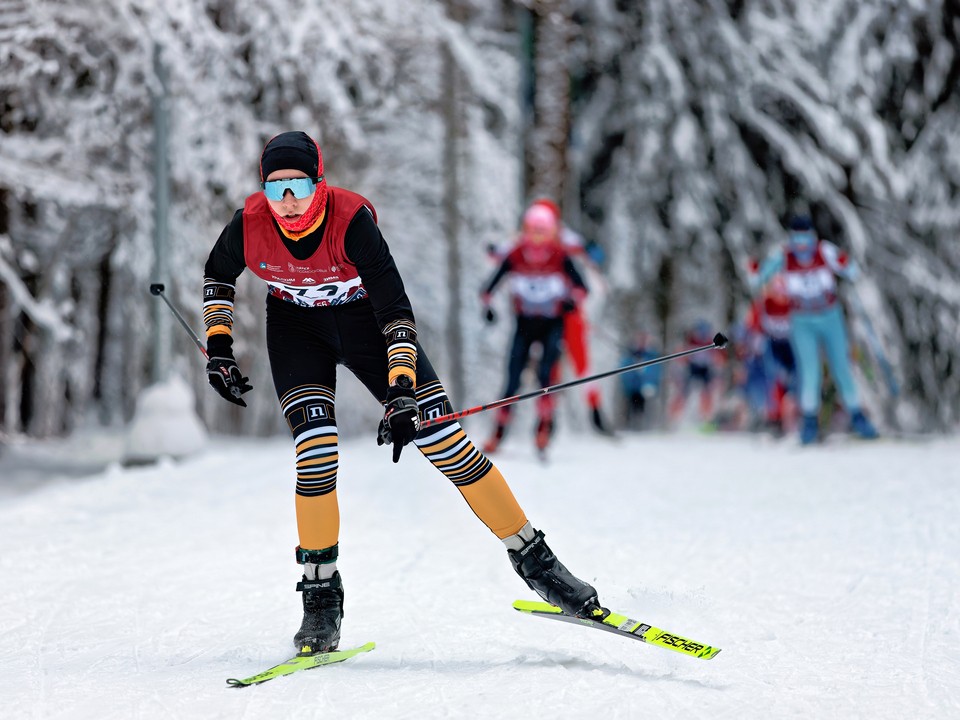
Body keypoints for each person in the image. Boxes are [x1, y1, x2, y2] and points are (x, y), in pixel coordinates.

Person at [201, 131, 604, 654]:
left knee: (447, 444)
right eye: (275, 190)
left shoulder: (351, 222)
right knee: (315, 451)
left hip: (368, 323)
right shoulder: (249, 225)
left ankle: (538, 563)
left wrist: (401, 393)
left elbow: (395, 313)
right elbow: (218, 275)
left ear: (319, 182)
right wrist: (219, 349)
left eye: (298, 185)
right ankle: (321, 598)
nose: (288, 201)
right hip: (296, 331)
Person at [754, 215, 879, 445]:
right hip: (802, 319)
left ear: (812, 236)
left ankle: (858, 418)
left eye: (805, 237)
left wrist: (846, 264)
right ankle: (809, 422)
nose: (801, 244)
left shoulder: (824, 251)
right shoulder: (784, 256)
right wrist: (757, 271)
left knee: (841, 366)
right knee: (809, 371)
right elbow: (759, 277)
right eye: (797, 238)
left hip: (829, 315)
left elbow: (851, 270)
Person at [480, 203, 588, 455]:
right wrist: (488, 306)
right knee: (512, 379)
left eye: (543, 231)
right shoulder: (516, 254)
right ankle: (498, 434)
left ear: (552, 232)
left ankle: (543, 430)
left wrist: (572, 301)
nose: (537, 237)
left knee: (546, 378)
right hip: (525, 324)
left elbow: (582, 288)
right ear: (526, 230)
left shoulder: (561, 255)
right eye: (533, 230)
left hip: (552, 323)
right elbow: (488, 288)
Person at [619, 331, 663, 430]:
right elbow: (624, 372)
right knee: (630, 408)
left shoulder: (652, 356)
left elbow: (655, 372)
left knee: (645, 408)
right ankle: (628, 426)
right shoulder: (630, 355)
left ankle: (646, 426)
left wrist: (650, 384)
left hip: (646, 389)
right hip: (632, 389)